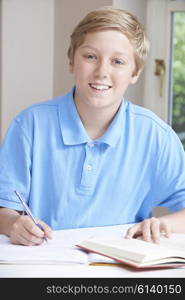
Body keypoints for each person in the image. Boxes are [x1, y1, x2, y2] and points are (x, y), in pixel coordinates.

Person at [0, 7, 185, 246]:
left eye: (117, 61)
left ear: (135, 72)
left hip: (122, 270)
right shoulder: (30, 126)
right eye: (90, 57)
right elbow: (4, 211)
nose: (101, 72)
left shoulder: (156, 136)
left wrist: (165, 224)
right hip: (45, 263)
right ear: (71, 61)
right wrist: (13, 223)